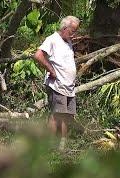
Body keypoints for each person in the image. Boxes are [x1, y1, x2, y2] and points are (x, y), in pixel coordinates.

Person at [33, 16, 80, 151]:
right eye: (72, 31)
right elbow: (38, 55)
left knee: (66, 116)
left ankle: (61, 146)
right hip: (57, 85)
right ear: (64, 28)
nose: (74, 34)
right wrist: (51, 70)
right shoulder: (53, 39)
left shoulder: (68, 41)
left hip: (69, 86)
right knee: (56, 115)